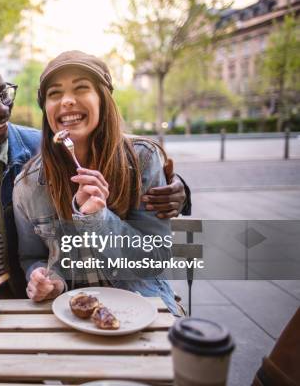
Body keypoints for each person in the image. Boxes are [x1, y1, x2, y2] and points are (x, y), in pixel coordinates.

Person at [0, 42, 189, 298]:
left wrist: (178, 192)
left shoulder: (39, 150)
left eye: (3, 94)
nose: (1, 109)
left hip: (16, 298)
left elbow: (116, 157)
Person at [13, 50, 181, 313]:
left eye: (81, 88)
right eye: (54, 93)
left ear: (103, 99)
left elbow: (155, 261)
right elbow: (31, 257)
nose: (67, 100)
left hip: (141, 306)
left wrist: (99, 219)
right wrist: (46, 280)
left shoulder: (143, 159)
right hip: (68, 313)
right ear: (46, 109)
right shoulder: (27, 184)